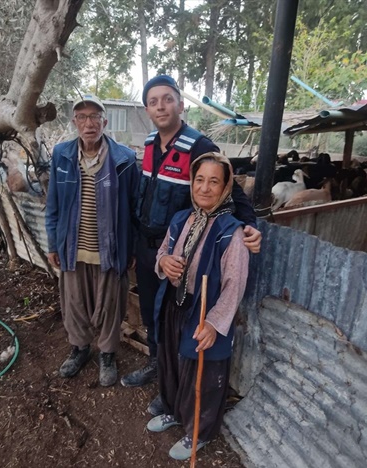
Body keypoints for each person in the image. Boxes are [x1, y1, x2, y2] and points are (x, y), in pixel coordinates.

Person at [120, 75, 261, 396]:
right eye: (154, 101)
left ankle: (175, 381)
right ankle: (157, 364)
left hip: (180, 256)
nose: (161, 106)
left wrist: (251, 224)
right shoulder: (149, 145)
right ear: (147, 109)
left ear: (180, 105)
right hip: (148, 250)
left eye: (167, 99)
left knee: (175, 318)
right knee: (150, 313)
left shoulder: (199, 146)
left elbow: (231, 191)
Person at [146, 152, 249, 460]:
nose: (204, 188)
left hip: (204, 315)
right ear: (191, 183)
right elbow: (162, 253)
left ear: (226, 186)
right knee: (172, 365)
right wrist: (164, 261)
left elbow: (235, 285)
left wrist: (215, 324)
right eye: (199, 180)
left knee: (200, 376)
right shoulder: (181, 219)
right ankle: (174, 412)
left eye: (214, 181)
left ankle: (198, 433)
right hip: (176, 308)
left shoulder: (233, 232)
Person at [45, 93, 139, 387]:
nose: (89, 123)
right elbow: (53, 205)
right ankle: (80, 349)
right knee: (74, 304)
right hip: (73, 248)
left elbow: (134, 207)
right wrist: (52, 244)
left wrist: (131, 247)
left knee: (110, 305)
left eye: (95, 117)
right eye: (83, 117)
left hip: (109, 250)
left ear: (104, 122)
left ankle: (108, 354)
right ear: (75, 122)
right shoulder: (61, 155)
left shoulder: (124, 158)